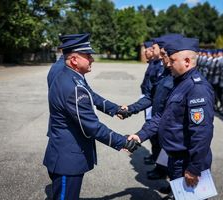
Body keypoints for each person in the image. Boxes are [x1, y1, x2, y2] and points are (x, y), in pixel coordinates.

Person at [43, 33, 139, 200]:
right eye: (88, 55)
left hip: (61, 150)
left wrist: (114, 109)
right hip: (68, 159)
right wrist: (122, 142)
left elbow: (90, 95)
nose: (92, 59)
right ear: (74, 60)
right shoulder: (72, 87)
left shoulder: (69, 74)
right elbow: (92, 126)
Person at [128, 37, 214, 200]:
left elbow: (201, 133)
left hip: (187, 162)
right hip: (175, 159)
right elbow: (162, 115)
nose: (167, 63)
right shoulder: (179, 82)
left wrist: (194, 168)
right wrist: (140, 135)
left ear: (187, 61)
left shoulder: (197, 89)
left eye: (172, 60)